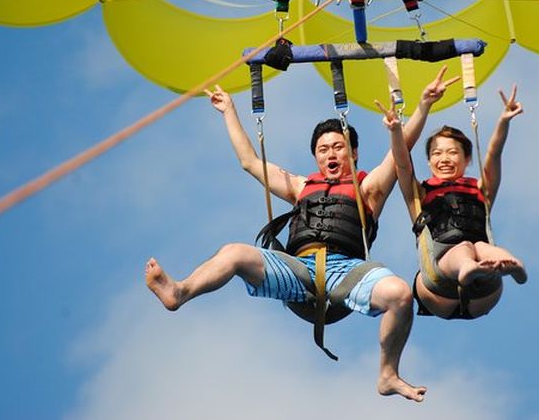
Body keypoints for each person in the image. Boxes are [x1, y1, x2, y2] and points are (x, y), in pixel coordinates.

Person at [145, 68, 457, 402]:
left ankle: (388, 374)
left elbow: (400, 153)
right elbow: (250, 162)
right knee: (234, 252)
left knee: (399, 295)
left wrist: (422, 107)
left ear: (353, 154)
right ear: (315, 157)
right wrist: (229, 112)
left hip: (346, 272)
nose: (331, 154)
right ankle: (180, 291)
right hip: (298, 270)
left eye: (339, 147)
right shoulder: (300, 186)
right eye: (323, 150)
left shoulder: (368, 188)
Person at [380, 84, 527, 321]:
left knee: (480, 248)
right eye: (437, 154)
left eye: (452, 152)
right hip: (437, 282)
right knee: (465, 249)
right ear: (428, 162)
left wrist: (504, 121)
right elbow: (402, 163)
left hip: (483, 290)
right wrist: (396, 131)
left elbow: (493, 155)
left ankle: (510, 263)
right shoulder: (418, 194)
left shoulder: (481, 189)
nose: (444, 158)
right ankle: (469, 266)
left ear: (467, 158)